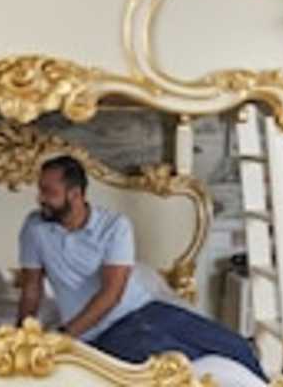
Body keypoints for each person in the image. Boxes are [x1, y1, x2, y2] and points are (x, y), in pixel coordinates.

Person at [16, 155, 267, 381]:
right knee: (179, 370)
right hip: (103, 333)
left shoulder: (115, 227)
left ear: (75, 194)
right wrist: (19, 338)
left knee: (236, 347)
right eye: (41, 190)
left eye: (48, 192)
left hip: (147, 308)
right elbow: (31, 289)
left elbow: (111, 294)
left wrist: (64, 335)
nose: (40, 199)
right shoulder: (35, 229)